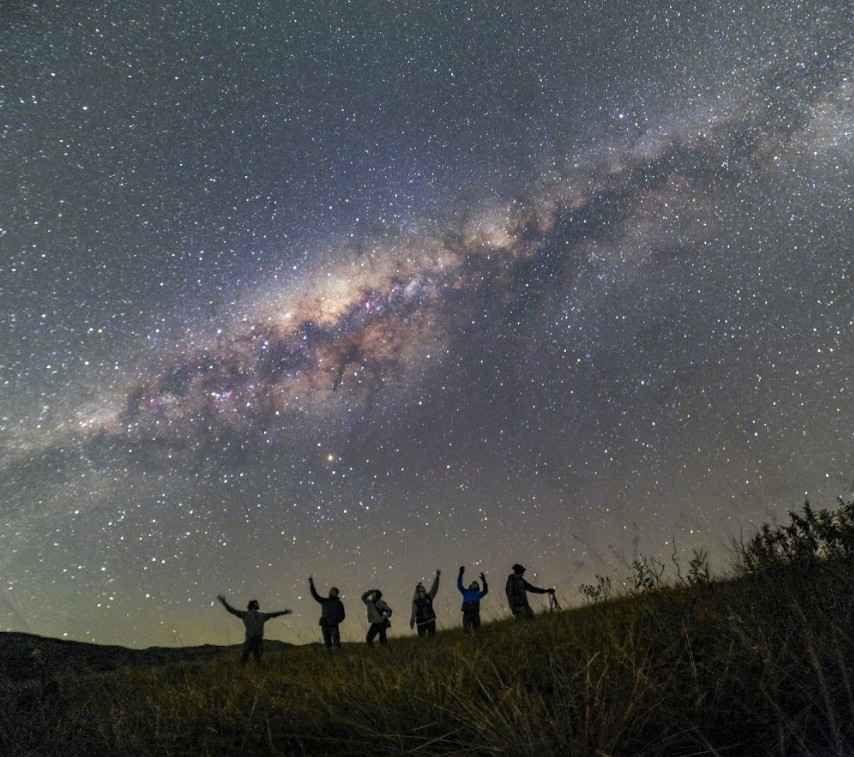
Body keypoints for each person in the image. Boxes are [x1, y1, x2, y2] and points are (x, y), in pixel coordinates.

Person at [217, 594, 292, 664]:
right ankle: (242, 674)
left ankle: (253, 673)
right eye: (256, 603)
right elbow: (232, 610)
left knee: (257, 660)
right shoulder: (245, 614)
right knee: (244, 659)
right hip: (250, 640)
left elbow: (273, 614)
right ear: (253, 605)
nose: (258, 604)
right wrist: (224, 603)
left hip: (258, 640)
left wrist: (284, 612)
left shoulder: (262, 615)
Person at [308, 575, 345, 650]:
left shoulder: (339, 603)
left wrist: (336, 620)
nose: (331, 591)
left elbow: (342, 615)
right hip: (325, 625)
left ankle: (339, 658)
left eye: (333, 591)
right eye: (331, 590)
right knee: (327, 644)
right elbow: (315, 595)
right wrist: (311, 584)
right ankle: (330, 659)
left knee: (336, 643)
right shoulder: (325, 601)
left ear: (336, 593)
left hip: (333, 625)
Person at [410, 569, 441, 637]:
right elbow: (413, 612)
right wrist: (412, 621)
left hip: (430, 621)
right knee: (422, 641)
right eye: (421, 590)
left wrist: (437, 577)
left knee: (432, 638)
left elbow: (434, 588)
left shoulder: (429, 596)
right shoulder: (416, 601)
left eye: (423, 590)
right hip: (421, 623)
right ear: (418, 592)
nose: (423, 592)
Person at [457, 566, 488, 632]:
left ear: (477, 586)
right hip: (467, 613)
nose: (474, 584)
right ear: (470, 585)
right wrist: (460, 574)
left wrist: (484, 581)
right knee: (466, 630)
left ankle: (477, 640)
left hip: (475, 613)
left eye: (475, 584)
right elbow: (459, 585)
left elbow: (485, 591)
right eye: (473, 584)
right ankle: (468, 640)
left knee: (477, 630)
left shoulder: (478, 594)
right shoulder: (465, 591)